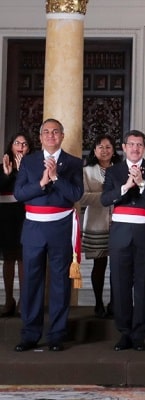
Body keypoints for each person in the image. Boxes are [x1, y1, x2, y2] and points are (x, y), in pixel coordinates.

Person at [13, 118, 83, 352]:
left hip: (60, 228)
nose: (51, 135)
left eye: (55, 132)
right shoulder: (29, 161)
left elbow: (75, 194)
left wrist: (56, 178)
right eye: (46, 132)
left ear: (62, 136)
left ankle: (57, 334)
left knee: (60, 282)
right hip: (34, 228)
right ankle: (30, 334)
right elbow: (19, 193)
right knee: (31, 281)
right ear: (40, 136)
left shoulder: (73, 163)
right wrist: (42, 182)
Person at [101, 130, 145, 351]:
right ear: (124, 147)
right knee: (120, 285)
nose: (135, 148)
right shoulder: (114, 171)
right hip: (120, 233)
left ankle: (139, 335)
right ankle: (124, 333)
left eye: (139, 145)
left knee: (142, 285)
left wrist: (142, 183)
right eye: (131, 144)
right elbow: (105, 199)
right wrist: (126, 186)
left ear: (144, 148)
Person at [81, 134, 121, 319]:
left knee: (117, 266)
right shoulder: (87, 171)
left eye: (108, 147)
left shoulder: (121, 169)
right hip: (96, 222)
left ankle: (114, 303)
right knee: (99, 264)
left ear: (114, 150)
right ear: (94, 150)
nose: (104, 151)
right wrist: (106, 195)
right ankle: (98, 303)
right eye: (100, 147)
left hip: (119, 223)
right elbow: (82, 197)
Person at [0, 133, 32, 317]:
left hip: (25, 214)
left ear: (29, 148)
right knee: (8, 258)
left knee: (23, 258)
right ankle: (8, 300)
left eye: (24, 144)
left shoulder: (33, 167)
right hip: (5, 217)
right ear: (11, 146)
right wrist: (7, 174)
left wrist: (21, 172)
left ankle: (23, 300)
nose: (20, 147)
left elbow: (31, 189)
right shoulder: (2, 166)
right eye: (17, 143)